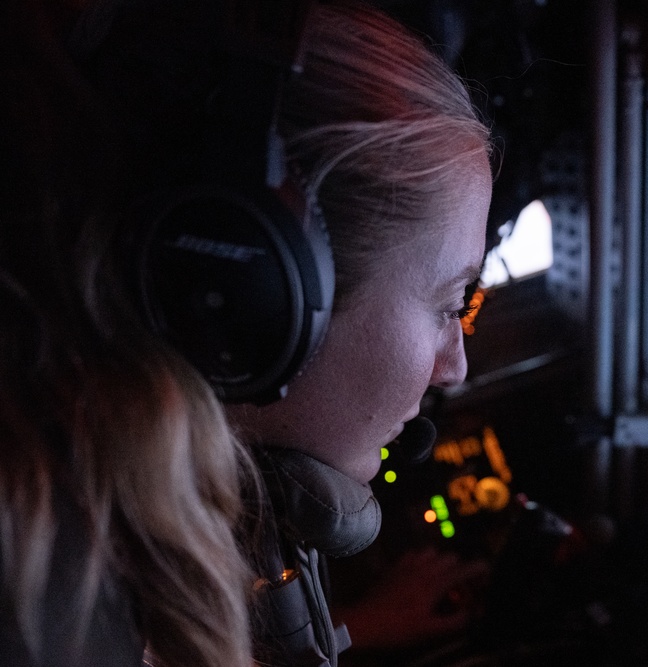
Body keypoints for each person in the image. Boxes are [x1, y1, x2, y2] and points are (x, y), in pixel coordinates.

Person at [0, 0, 493, 665]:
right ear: (255, 290)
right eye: (448, 303)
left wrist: (358, 623)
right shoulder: (49, 613)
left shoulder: (74, 522)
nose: (453, 366)